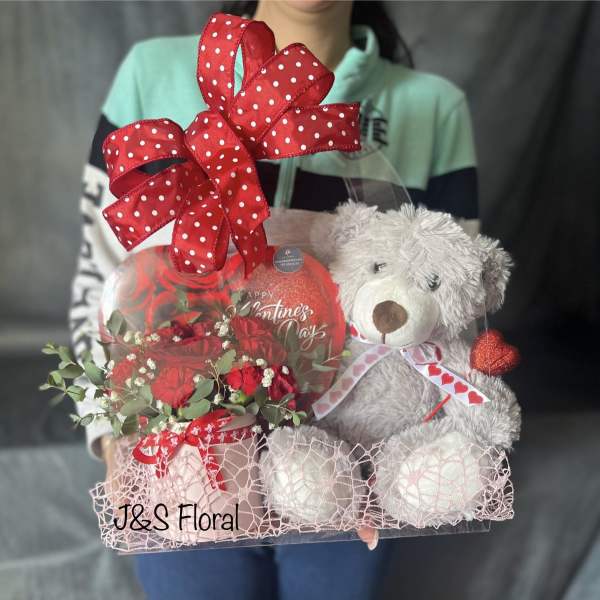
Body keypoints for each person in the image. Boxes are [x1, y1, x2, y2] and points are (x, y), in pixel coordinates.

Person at [70, 1, 479, 598]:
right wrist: (113, 432)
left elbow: (452, 302)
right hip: (185, 455)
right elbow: (101, 280)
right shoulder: (152, 72)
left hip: (347, 467)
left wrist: (411, 454)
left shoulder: (433, 107)